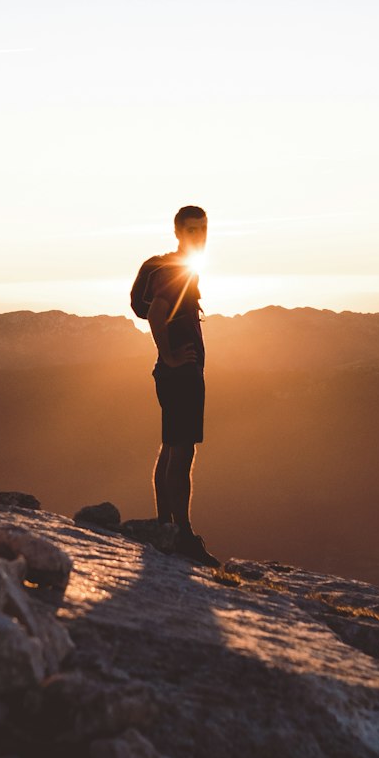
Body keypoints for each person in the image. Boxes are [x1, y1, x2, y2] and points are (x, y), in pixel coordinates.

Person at [134, 205, 220, 567]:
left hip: (174, 374)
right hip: (180, 375)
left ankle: (165, 527)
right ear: (178, 232)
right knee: (182, 453)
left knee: (171, 447)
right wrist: (170, 357)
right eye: (192, 230)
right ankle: (181, 534)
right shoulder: (178, 272)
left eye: (203, 229)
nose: (199, 236)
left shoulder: (176, 268)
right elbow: (156, 313)